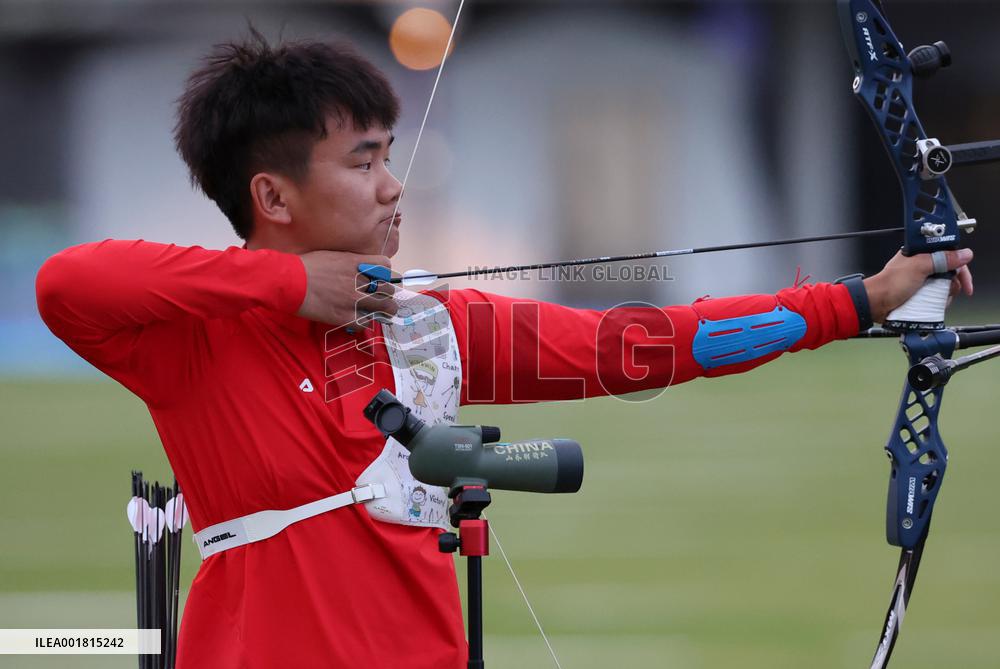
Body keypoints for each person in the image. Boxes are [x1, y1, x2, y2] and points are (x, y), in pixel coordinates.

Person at [34, 32, 973, 669]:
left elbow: (642, 345)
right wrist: (289, 284)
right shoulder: (193, 340)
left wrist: (859, 301)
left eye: (388, 154)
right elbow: (68, 283)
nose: (393, 186)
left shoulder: (426, 326)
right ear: (272, 197)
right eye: (362, 162)